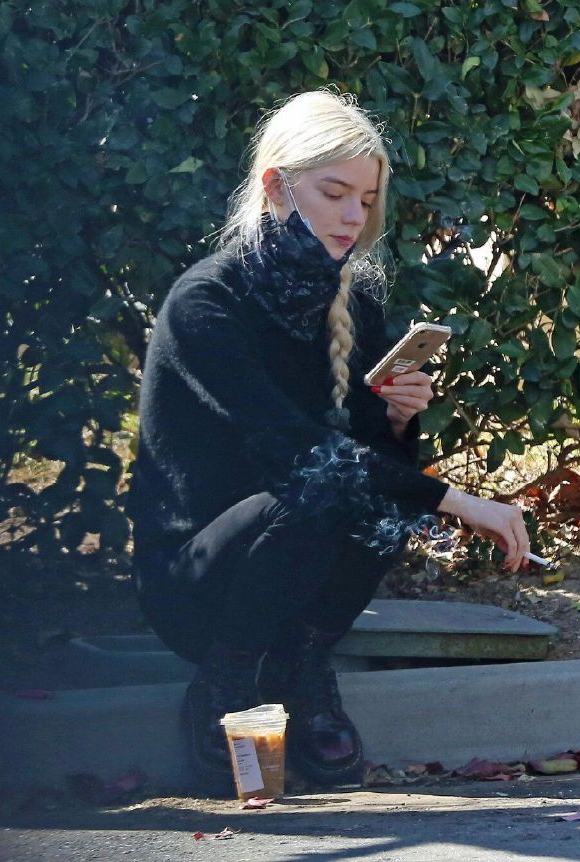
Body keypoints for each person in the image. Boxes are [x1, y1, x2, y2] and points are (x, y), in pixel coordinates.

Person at [128, 90, 530, 797]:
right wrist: (459, 502)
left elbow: (372, 468)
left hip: (300, 574)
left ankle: (303, 665)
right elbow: (296, 451)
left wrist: (397, 422)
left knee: (374, 499)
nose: (353, 217)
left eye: (366, 199)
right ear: (276, 187)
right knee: (312, 493)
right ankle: (226, 677)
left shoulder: (355, 303)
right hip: (199, 586)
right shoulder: (206, 302)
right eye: (334, 193)